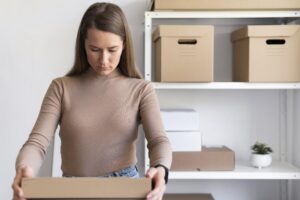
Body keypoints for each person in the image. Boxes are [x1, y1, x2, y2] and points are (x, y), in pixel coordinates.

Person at [12, 2, 172, 200]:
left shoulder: (141, 90)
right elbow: (37, 143)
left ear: (124, 45)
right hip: (73, 189)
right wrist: (24, 169)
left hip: (125, 188)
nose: (103, 60)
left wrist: (161, 169)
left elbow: (158, 141)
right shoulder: (61, 88)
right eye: (95, 49)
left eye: (112, 49)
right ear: (83, 45)